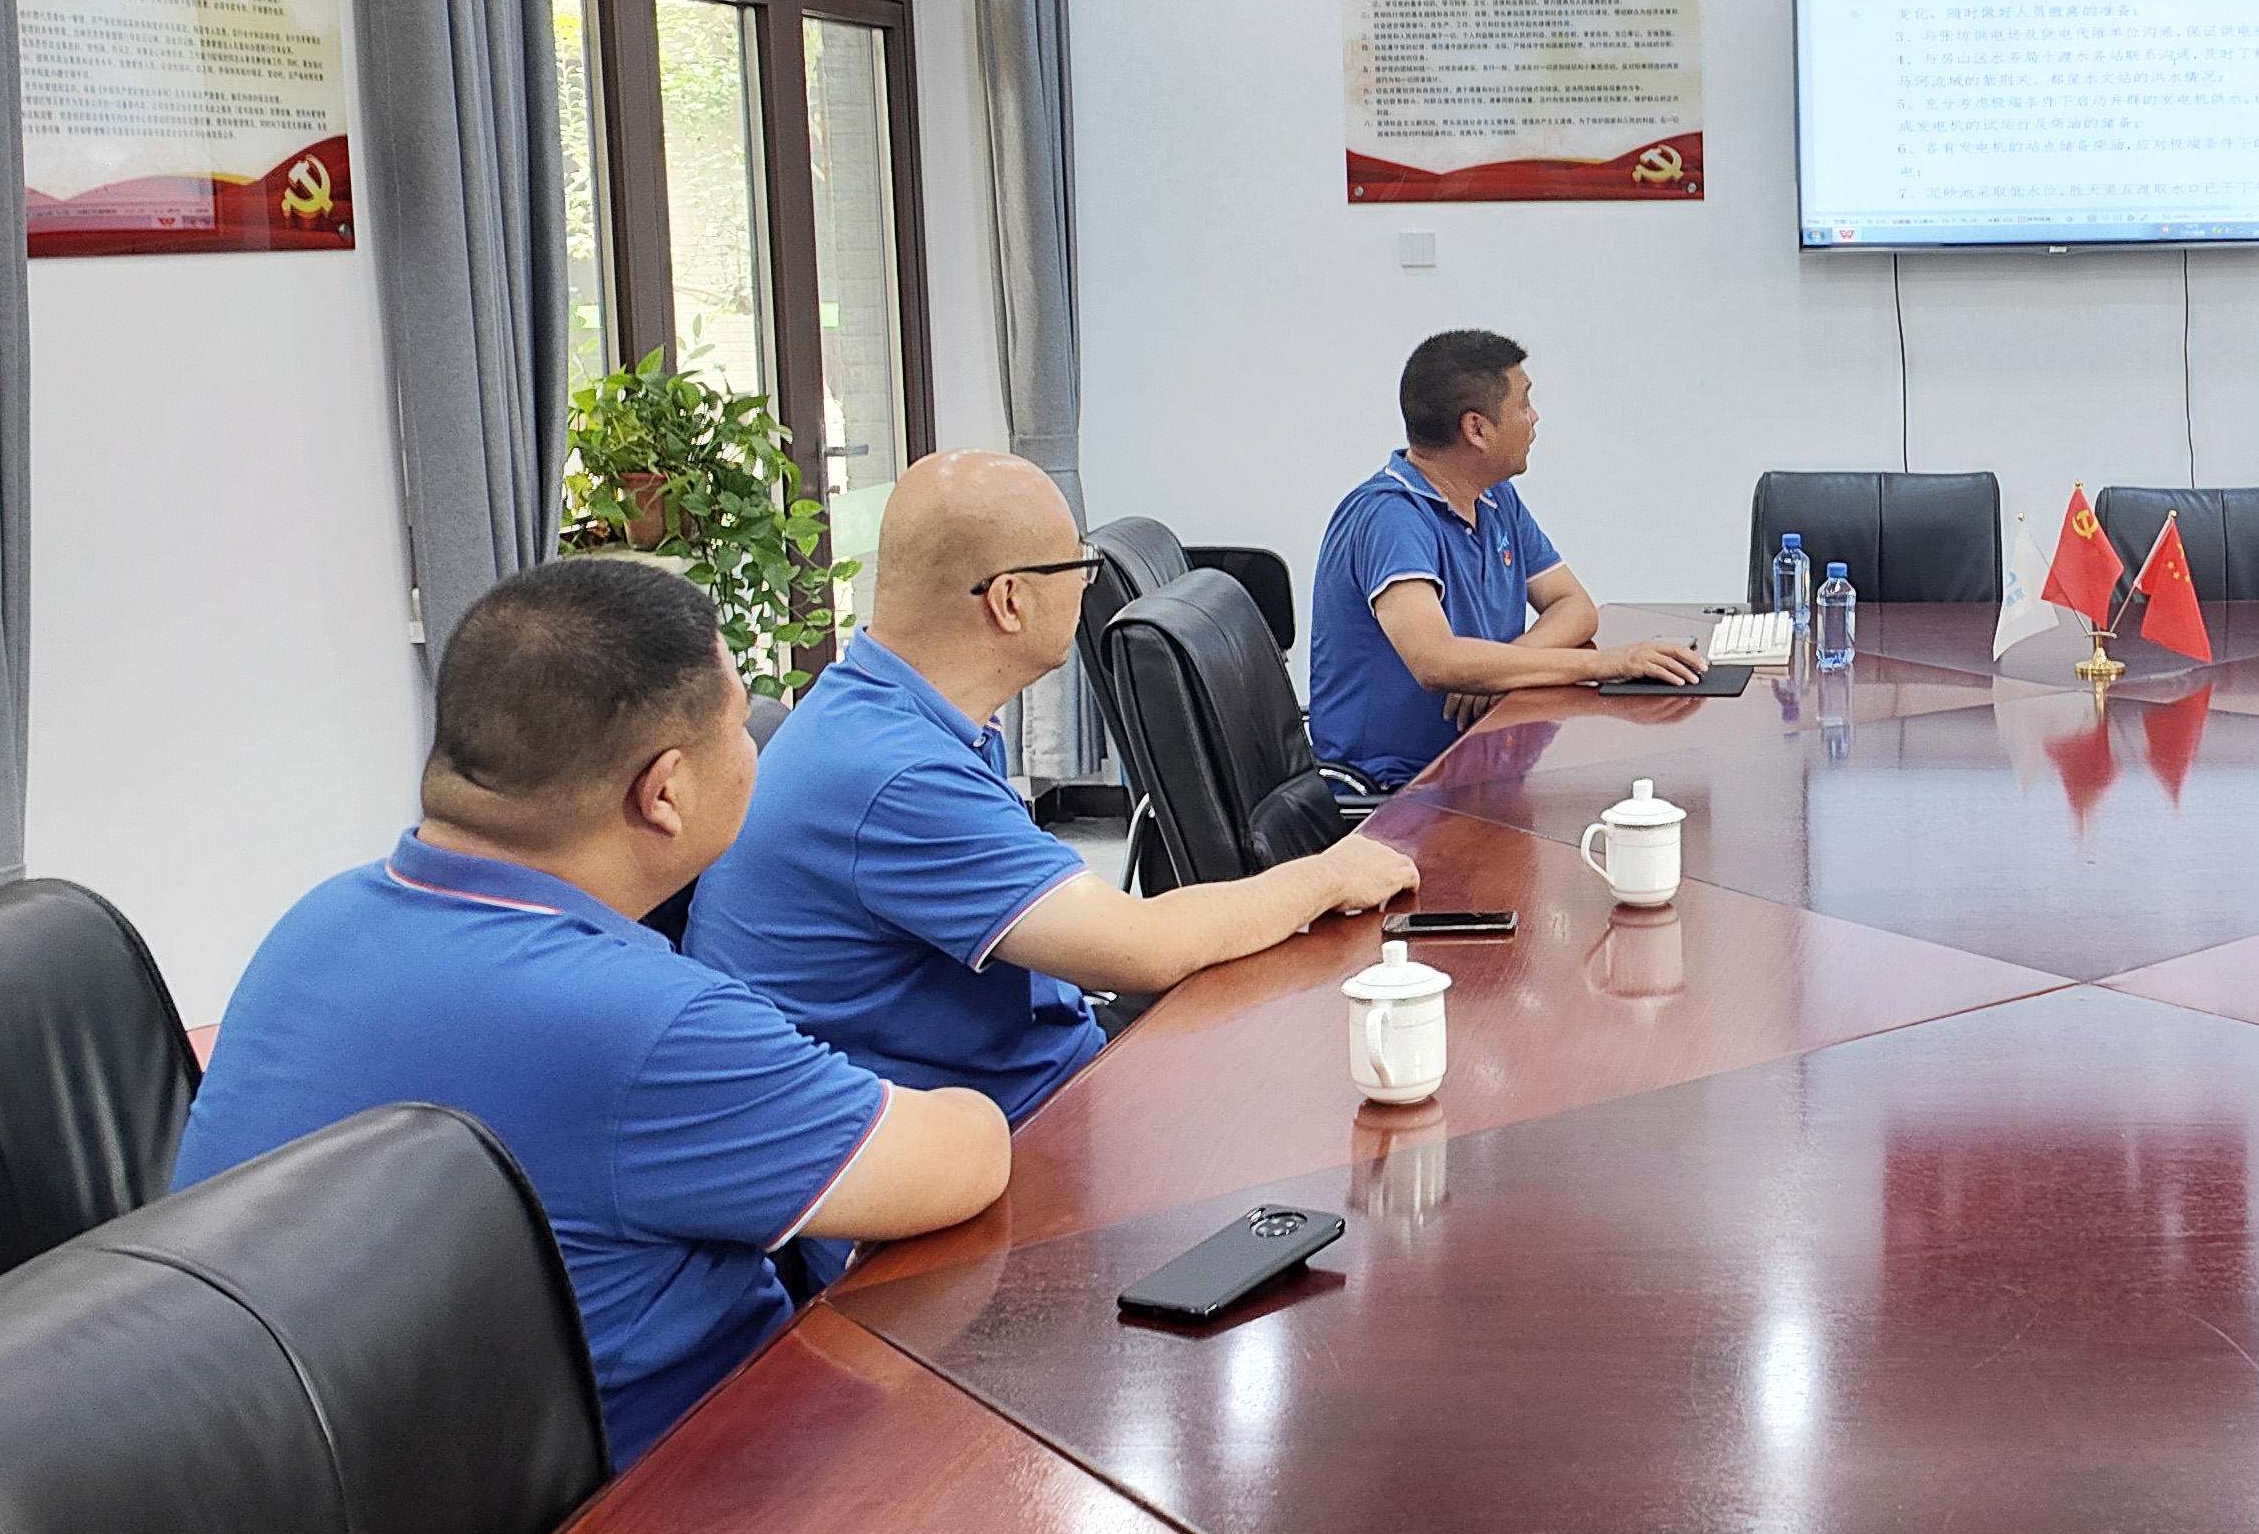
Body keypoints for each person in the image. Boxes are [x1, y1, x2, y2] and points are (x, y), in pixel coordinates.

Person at [176, 559, 1007, 1468]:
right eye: (740, 725)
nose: (756, 748)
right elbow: (965, 1160)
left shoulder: (315, 922)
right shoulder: (644, 1025)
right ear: (664, 792)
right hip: (660, 1506)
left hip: (338, 1493)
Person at [685, 450, 1416, 1120]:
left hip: (1024, 1063)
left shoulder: (893, 710)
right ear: (1010, 600)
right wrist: (1330, 873)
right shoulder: (893, 773)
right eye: (1078, 566)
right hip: (992, 1137)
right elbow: (1141, 947)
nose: (1088, 585)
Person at [1308, 329, 1703, 791]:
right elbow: (1435, 661)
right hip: (1395, 792)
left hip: (1480, 767)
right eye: (1523, 403)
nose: (1534, 418)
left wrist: (1503, 669)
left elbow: (1575, 607)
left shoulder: (1496, 499)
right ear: (1477, 429)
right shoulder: (1390, 517)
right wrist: (1611, 664)